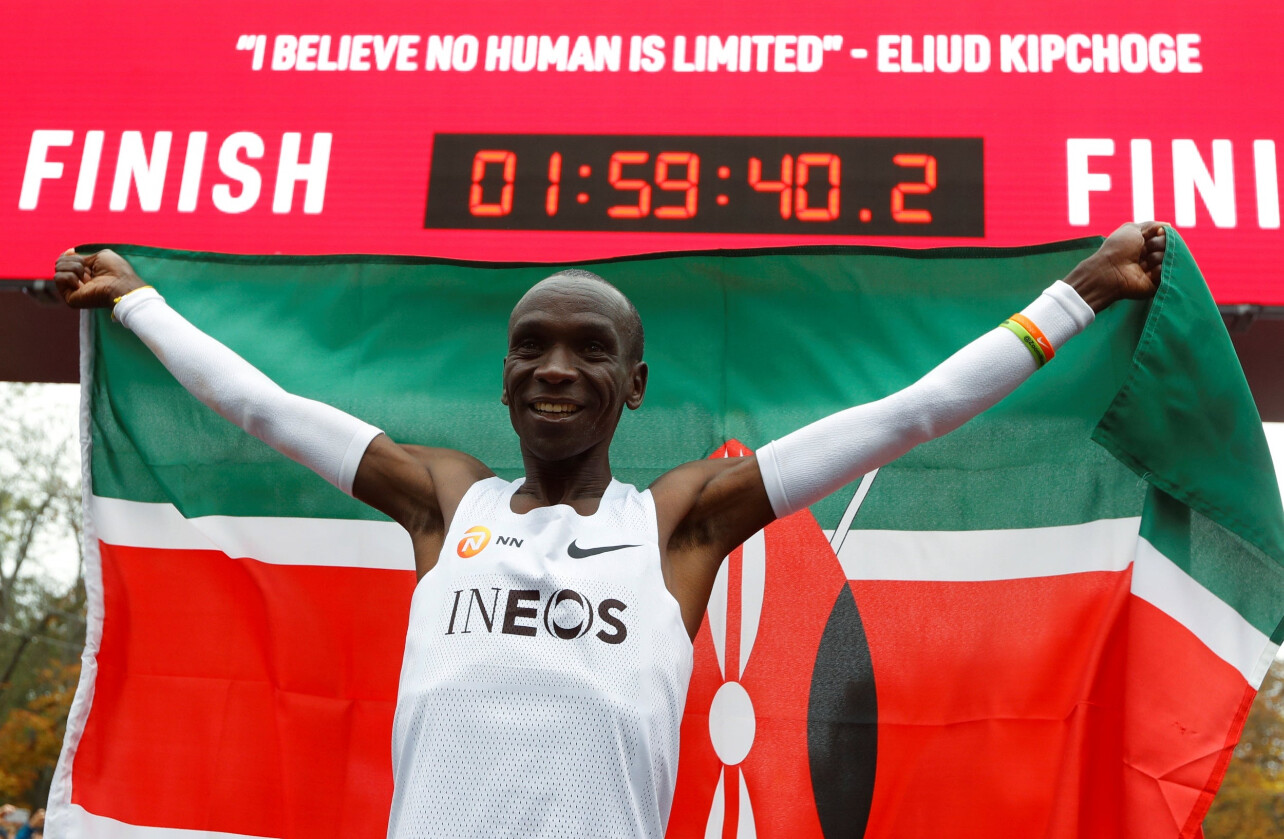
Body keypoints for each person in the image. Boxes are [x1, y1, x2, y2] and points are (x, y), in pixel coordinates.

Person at [52, 222, 1166, 838]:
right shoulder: (446, 500)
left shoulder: (679, 523)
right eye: (531, 344)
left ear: (633, 385)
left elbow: (904, 416)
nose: (555, 365)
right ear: (502, 377)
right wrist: (137, 300)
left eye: (590, 348)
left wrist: (1078, 292)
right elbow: (266, 408)